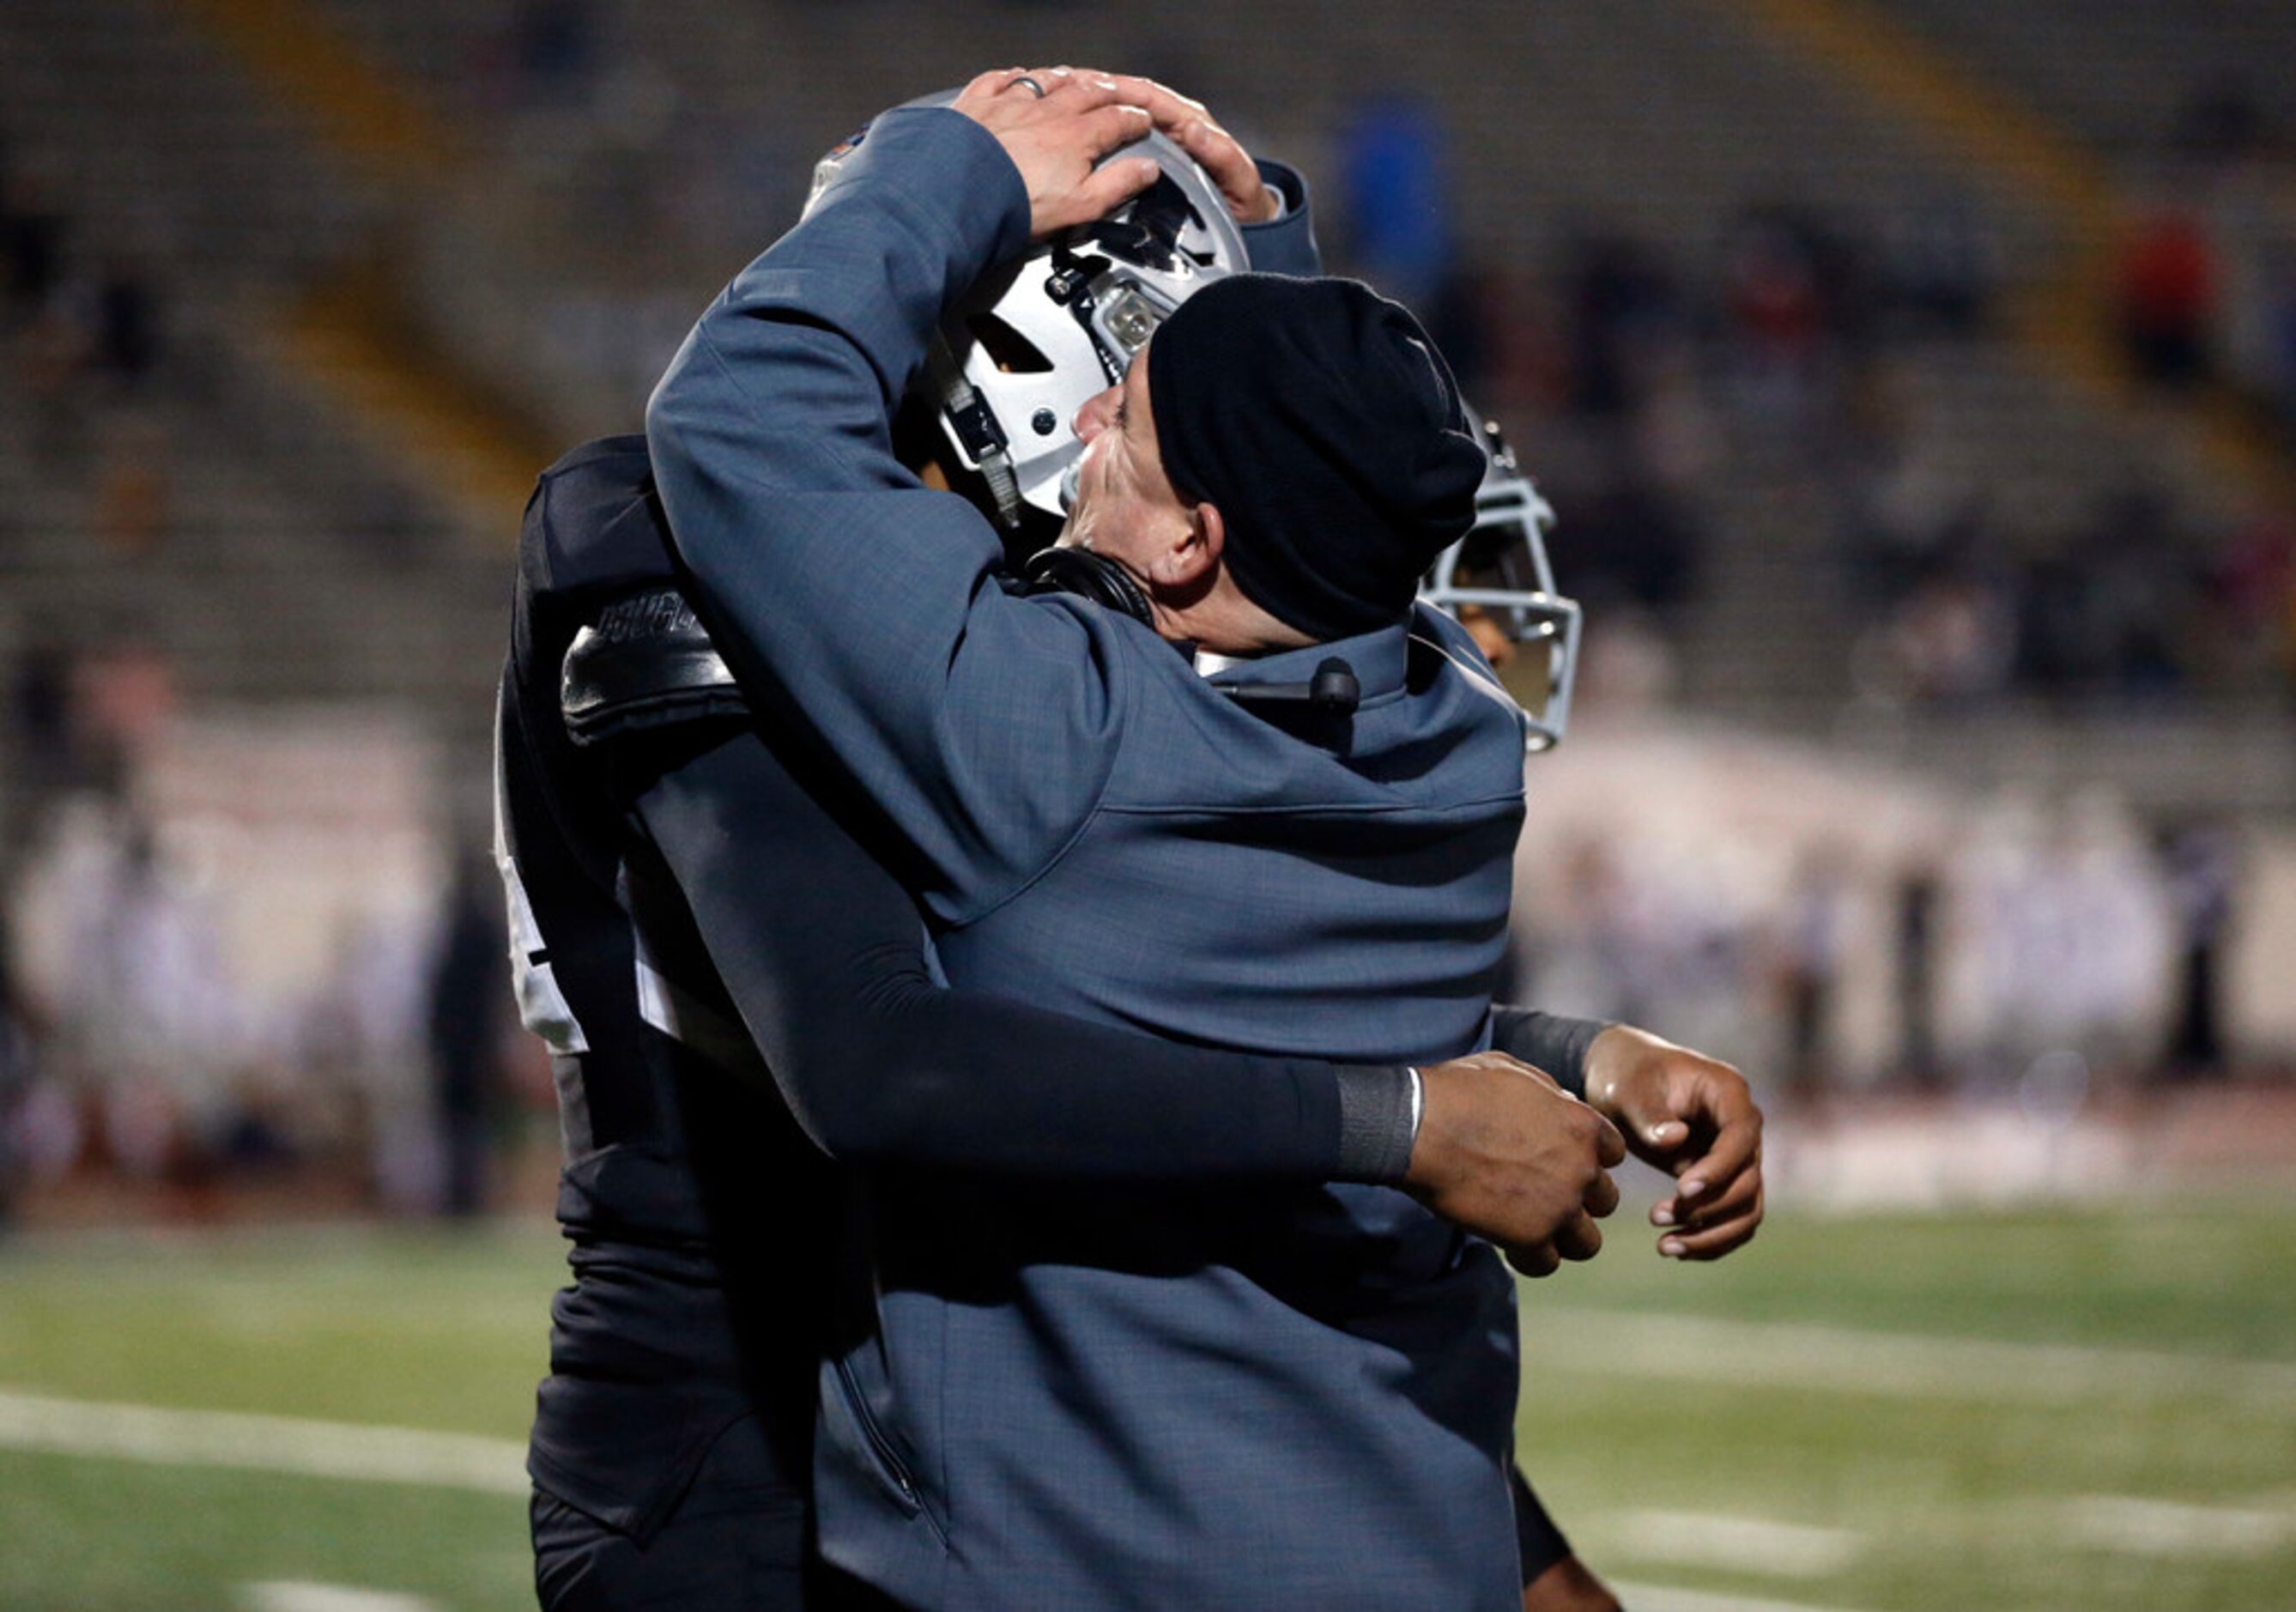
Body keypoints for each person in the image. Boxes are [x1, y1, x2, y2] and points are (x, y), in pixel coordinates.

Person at [646, 68, 1762, 1609]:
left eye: (1140, 410)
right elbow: (1297, 1010)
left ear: (1190, 539)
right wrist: (1581, 1055)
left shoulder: (1043, 734)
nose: (1102, 407)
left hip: (1089, 1564)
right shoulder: (1456, 732)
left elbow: (736, 408)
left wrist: (940, 163)